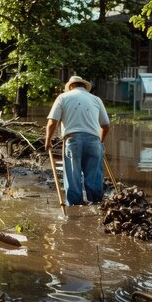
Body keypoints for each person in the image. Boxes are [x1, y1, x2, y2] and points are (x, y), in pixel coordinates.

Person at [45, 75, 110, 205]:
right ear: (84, 86)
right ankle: (97, 205)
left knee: (73, 176)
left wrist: (48, 141)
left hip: (73, 139)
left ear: (70, 87)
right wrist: (100, 142)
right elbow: (106, 125)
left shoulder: (63, 97)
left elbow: (52, 122)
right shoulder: (96, 99)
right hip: (94, 140)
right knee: (94, 177)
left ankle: (75, 207)